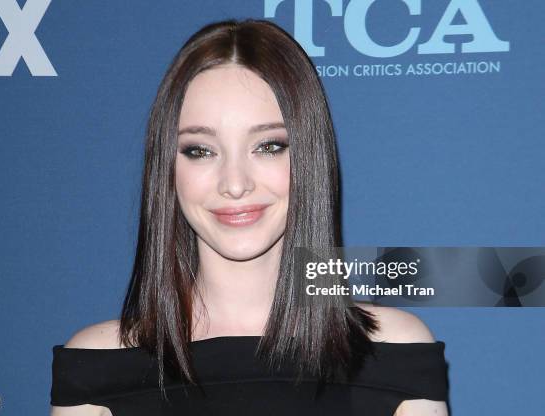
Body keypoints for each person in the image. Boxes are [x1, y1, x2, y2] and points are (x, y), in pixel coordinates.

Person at [50, 18, 449, 416]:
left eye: (268, 146)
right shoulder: (96, 368)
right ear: (167, 171)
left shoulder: (396, 356)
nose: (235, 183)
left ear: (309, 159)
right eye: (200, 150)